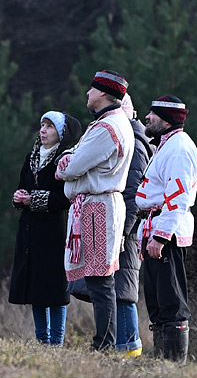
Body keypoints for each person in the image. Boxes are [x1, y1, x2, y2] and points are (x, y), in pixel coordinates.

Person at [55, 70, 135, 350]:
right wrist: (70, 159)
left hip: (98, 208)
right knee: (99, 278)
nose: (87, 94)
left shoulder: (107, 128)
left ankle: (104, 344)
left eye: (91, 89)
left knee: (101, 280)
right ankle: (105, 342)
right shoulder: (109, 123)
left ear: (102, 93)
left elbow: (72, 166)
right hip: (97, 206)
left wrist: (65, 163)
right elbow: (75, 157)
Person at [134, 94, 197, 362]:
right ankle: (163, 361)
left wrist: (160, 237)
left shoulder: (179, 148)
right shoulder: (167, 145)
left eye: (153, 113)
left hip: (166, 235)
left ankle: (173, 364)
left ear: (166, 119)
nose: (147, 117)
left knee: (171, 301)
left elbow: (178, 198)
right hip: (155, 229)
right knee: (159, 300)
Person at [9, 111, 83, 345]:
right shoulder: (31, 158)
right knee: (35, 288)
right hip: (30, 231)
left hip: (55, 231)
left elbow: (66, 198)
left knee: (56, 289)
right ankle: (42, 340)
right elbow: (23, 187)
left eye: (49, 126)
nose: (43, 130)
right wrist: (18, 196)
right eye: (42, 125)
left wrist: (36, 199)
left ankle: (57, 341)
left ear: (61, 133)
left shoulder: (66, 159)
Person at [111, 94, 152, 358]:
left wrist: (123, 232)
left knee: (123, 288)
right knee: (118, 286)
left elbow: (133, 194)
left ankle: (130, 346)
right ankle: (124, 345)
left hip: (127, 227)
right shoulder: (132, 138)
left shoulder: (135, 144)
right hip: (125, 225)